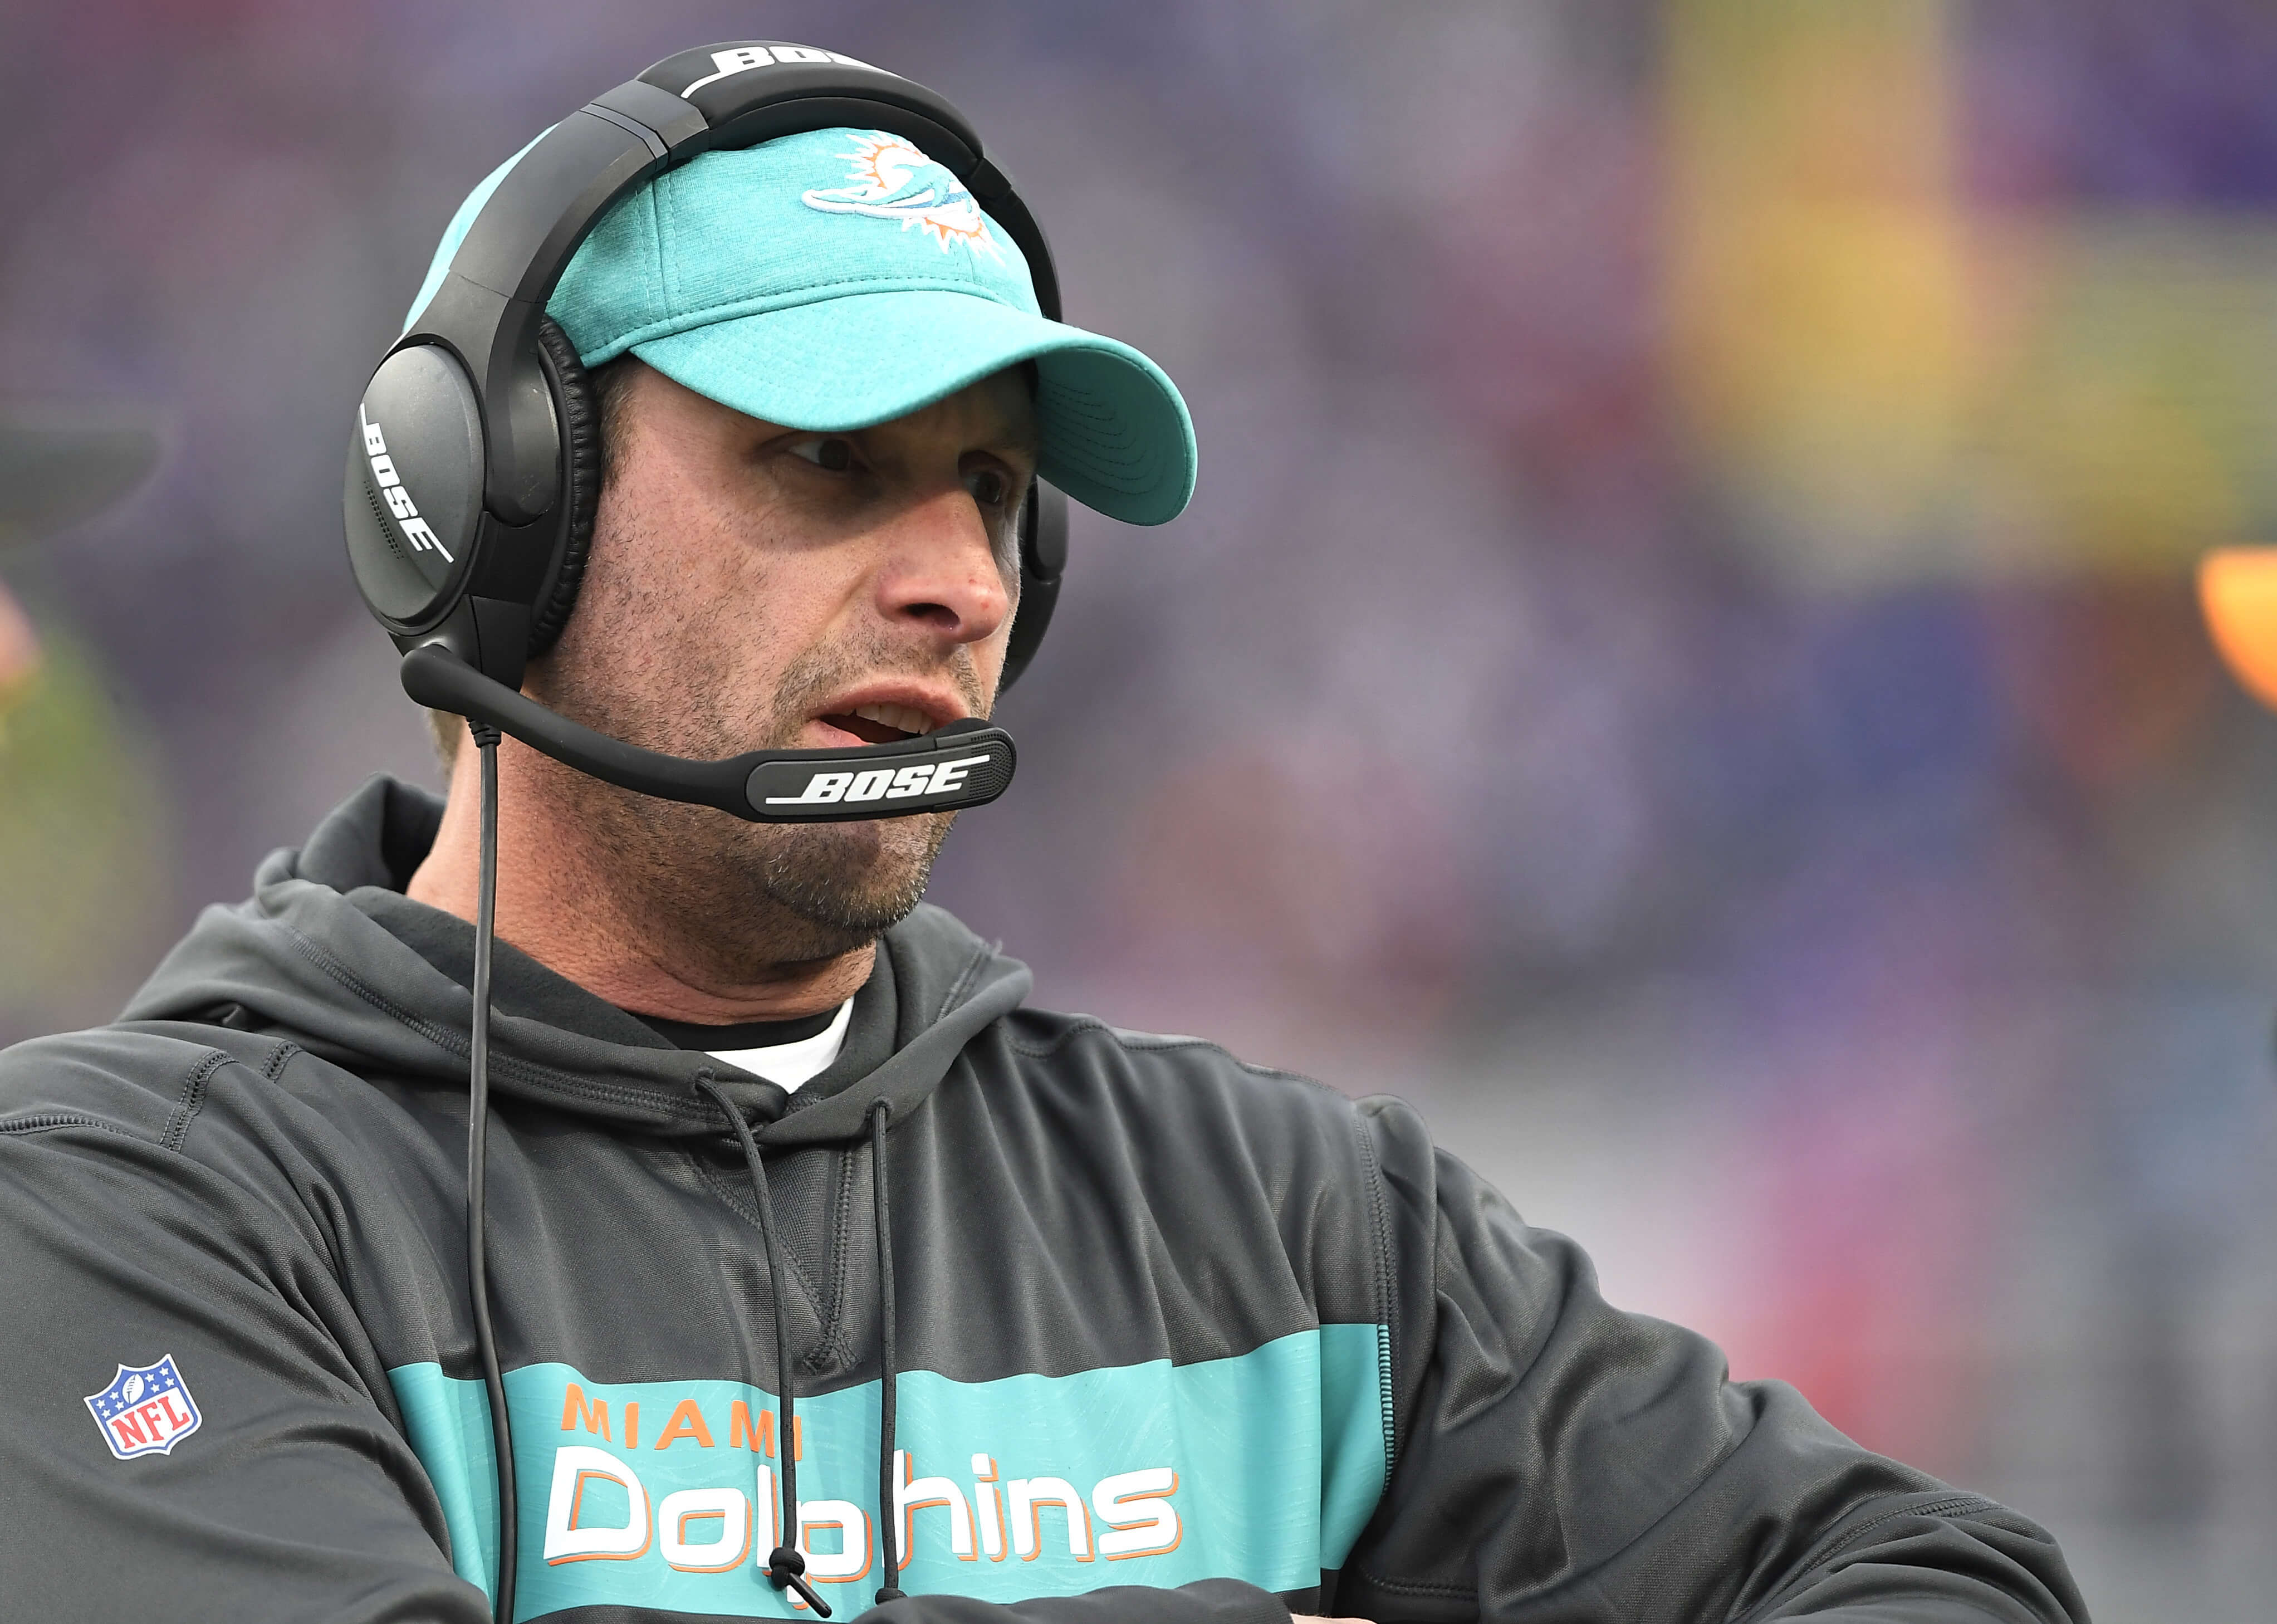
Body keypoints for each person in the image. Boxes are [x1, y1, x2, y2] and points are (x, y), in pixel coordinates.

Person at [0, 47, 2086, 1624]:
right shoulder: (125, 1212)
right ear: (495, 508)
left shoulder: (1286, 1219)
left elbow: (1936, 1579)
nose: (957, 581)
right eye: (827, 458)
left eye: (990, 490)